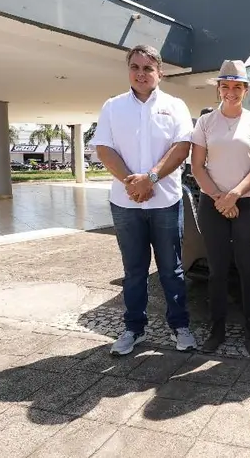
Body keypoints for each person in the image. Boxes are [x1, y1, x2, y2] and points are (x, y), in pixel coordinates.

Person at [89, 44, 197, 356]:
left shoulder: (175, 105)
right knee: (134, 270)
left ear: (159, 73)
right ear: (129, 71)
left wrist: (149, 179)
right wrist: (131, 183)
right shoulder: (113, 106)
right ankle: (134, 329)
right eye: (135, 67)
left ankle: (180, 326)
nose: (141, 73)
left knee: (171, 269)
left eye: (148, 68)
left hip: (165, 201)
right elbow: (104, 149)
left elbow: (181, 147)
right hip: (125, 204)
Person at [190, 59, 250, 355]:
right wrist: (218, 198)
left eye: (237, 86)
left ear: (246, 90)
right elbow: (197, 166)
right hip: (213, 205)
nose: (231, 92)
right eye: (226, 86)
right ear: (219, 89)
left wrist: (234, 195)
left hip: (247, 204)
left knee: (248, 268)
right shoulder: (205, 122)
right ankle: (217, 329)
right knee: (217, 270)